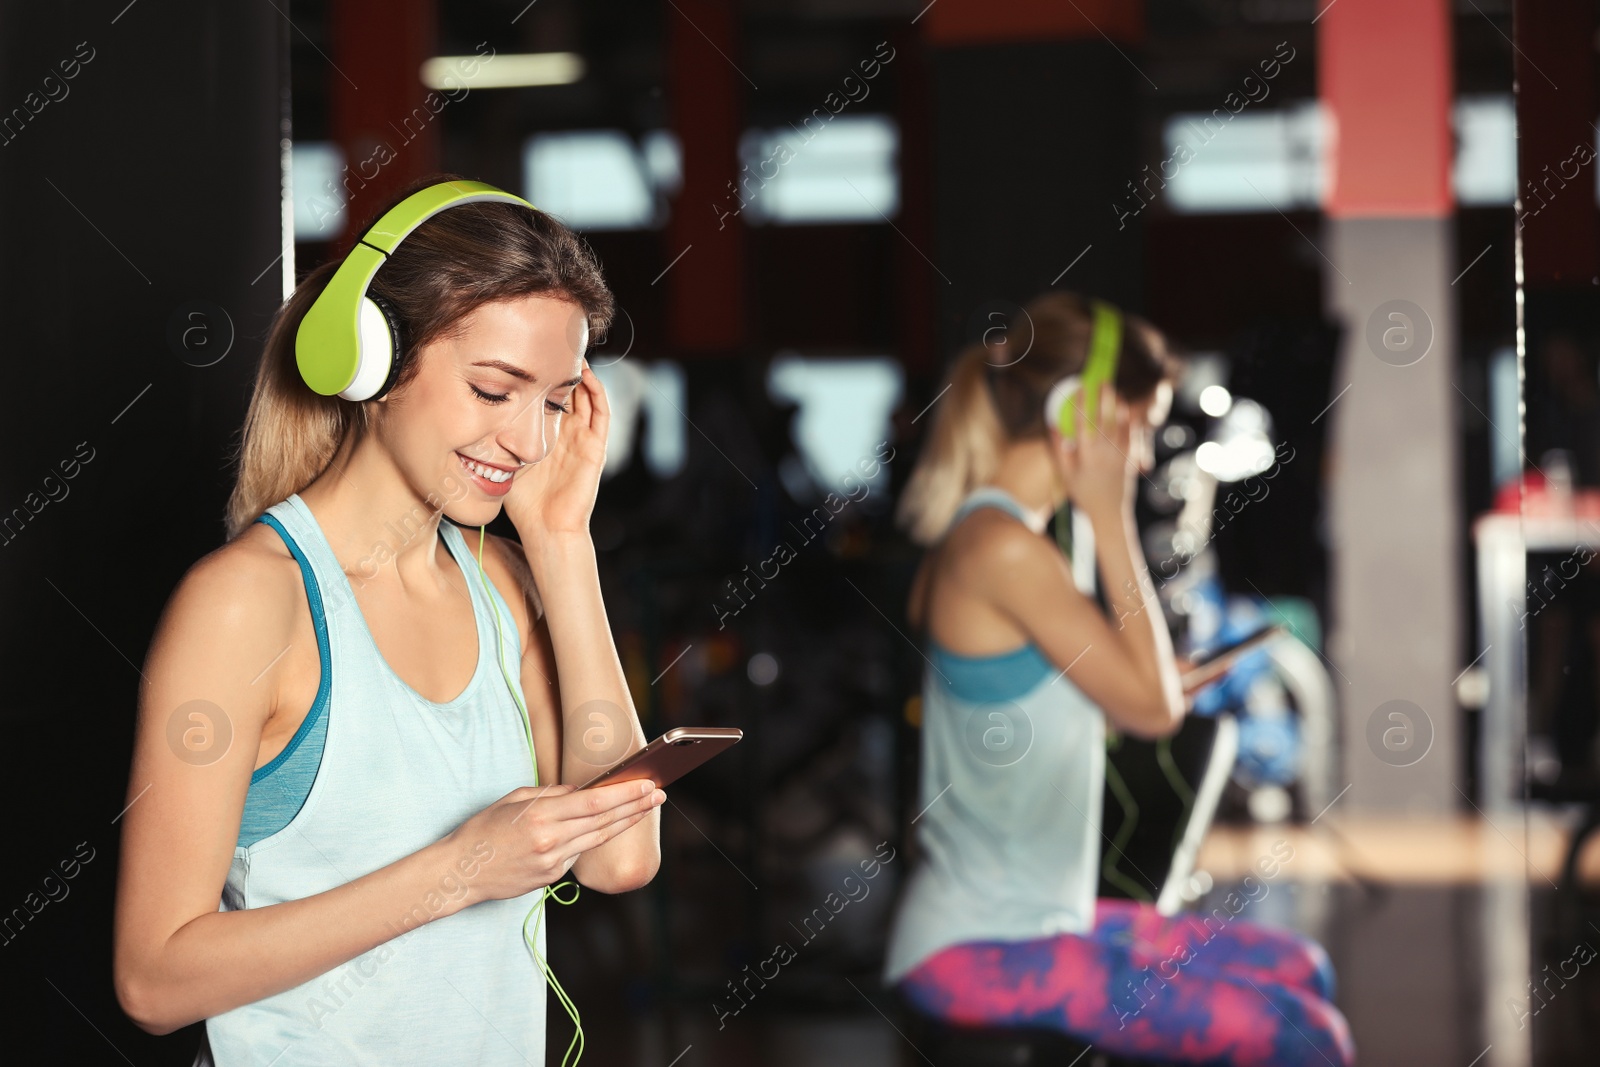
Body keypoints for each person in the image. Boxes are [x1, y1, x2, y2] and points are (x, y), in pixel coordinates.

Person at [112, 174, 665, 1066]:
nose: (528, 441)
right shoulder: (250, 602)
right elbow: (153, 980)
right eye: (495, 390)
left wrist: (563, 543)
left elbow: (621, 856)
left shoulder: (507, 589)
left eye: (555, 401)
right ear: (368, 363)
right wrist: (457, 873)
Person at [884, 291, 1355, 1066]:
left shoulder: (1014, 537)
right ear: (1082, 413)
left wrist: (1143, 685)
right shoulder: (1002, 548)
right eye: (1138, 429)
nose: (1141, 458)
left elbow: (1090, 706)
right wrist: (1111, 517)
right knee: (1311, 1037)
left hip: (1041, 919)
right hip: (978, 945)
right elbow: (1152, 713)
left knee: (1302, 967)